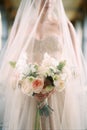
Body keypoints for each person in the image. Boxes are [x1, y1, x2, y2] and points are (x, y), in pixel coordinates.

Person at [0, 0, 87, 130]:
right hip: (27, 96)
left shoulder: (65, 26)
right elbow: (10, 66)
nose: (48, 1)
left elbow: (77, 69)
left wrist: (56, 82)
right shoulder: (20, 28)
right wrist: (25, 83)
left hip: (57, 96)